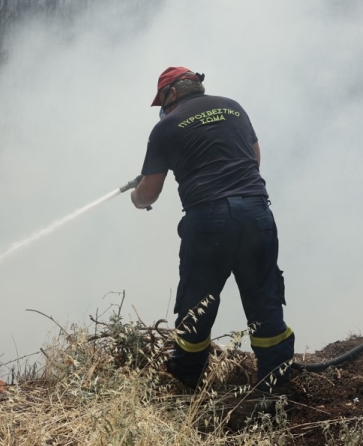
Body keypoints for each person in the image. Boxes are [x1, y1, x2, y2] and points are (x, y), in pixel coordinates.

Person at [131, 66, 295, 391]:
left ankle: (186, 387)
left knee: (197, 306)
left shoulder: (165, 127)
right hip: (256, 213)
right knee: (264, 302)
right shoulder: (234, 107)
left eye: (161, 101)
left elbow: (149, 192)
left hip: (209, 222)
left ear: (172, 93)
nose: (161, 109)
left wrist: (137, 195)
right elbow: (254, 158)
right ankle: (276, 390)